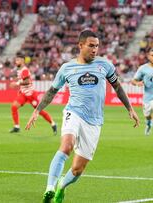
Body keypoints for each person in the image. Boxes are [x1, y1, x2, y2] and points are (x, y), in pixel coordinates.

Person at [25, 30, 140, 203]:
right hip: (74, 112)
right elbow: (52, 91)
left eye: (97, 46)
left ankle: (61, 188)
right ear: (80, 45)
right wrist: (37, 110)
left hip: (94, 122)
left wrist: (129, 108)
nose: (95, 50)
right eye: (91, 46)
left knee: (78, 169)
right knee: (66, 147)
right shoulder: (67, 68)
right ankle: (49, 188)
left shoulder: (105, 65)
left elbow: (117, 87)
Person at [9, 52, 57, 134]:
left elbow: (27, 81)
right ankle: (16, 127)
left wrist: (16, 84)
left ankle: (53, 123)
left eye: (18, 60)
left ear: (22, 61)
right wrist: (20, 90)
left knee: (39, 111)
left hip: (31, 94)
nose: (16, 62)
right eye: (15, 60)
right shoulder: (19, 70)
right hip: (24, 94)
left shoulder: (24, 70)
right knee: (14, 107)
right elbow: (23, 81)